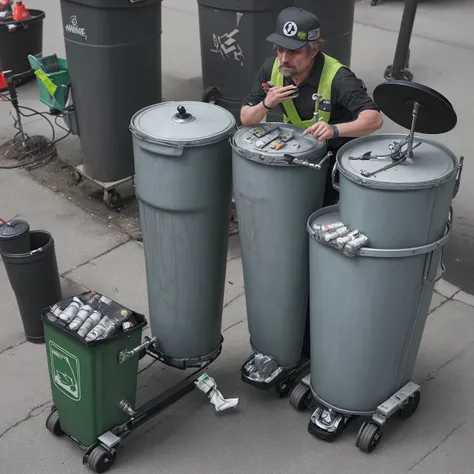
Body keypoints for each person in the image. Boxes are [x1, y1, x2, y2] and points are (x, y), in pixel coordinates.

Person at [241, 6, 383, 206]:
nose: (284, 59)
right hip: (295, 150)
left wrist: (334, 130)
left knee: (318, 210)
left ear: (314, 51)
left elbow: (374, 119)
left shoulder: (339, 78)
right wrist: (266, 104)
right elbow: (246, 118)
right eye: (280, 49)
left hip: (334, 159)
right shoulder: (272, 68)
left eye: (294, 52)